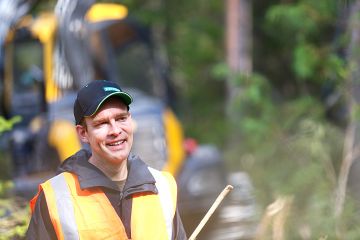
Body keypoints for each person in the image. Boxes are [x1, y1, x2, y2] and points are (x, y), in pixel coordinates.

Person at [26, 80, 188, 240]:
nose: (115, 130)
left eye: (121, 118)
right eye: (102, 123)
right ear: (83, 133)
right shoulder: (57, 197)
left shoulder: (162, 186)